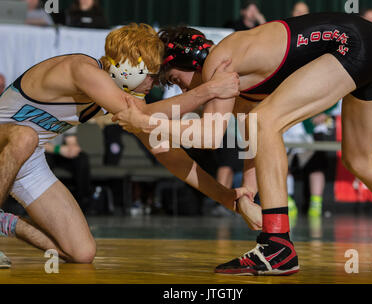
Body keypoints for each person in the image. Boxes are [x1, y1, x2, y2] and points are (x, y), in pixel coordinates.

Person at [114, 12, 372, 275]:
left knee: (265, 120)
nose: (185, 89)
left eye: (178, 80)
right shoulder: (238, 80)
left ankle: (277, 246)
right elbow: (253, 141)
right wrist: (248, 192)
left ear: (192, 61)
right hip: (371, 46)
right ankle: (278, 244)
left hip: (349, 43)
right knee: (358, 159)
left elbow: (209, 136)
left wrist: (145, 122)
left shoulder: (220, 61)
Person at [0, 23, 251, 266]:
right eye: (152, 76)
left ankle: (5, 223)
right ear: (131, 67)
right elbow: (149, 115)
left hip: (26, 160)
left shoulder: (120, 95)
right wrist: (207, 91)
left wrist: (227, 198)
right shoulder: (83, 70)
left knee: (82, 252)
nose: (152, 85)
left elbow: (167, 155)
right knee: (25, 136)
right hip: (10, 141)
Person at [44, 127, 92, 211]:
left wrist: (73, 148)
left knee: (82, 158)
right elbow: (36, 144)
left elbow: (71, 140)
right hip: (43, 151)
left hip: (61, 152)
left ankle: (82, 201)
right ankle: (45, 203)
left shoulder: (68, 116)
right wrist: (58, 149)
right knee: (45, 160)